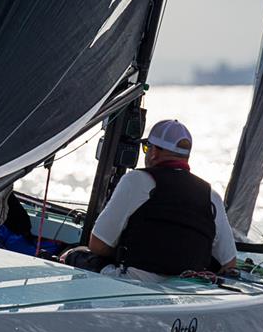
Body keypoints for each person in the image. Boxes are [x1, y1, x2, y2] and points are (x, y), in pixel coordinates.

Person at [63, 119, 236, 282]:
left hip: (132, 283)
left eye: (147, 147)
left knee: (74, 255)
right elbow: (229, 263)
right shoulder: (211, 195)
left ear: (153, 152)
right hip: (185, 291)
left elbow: (98, 245)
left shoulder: (136, 180)